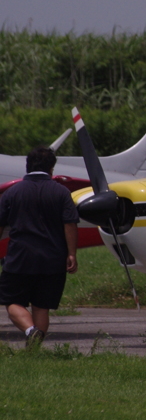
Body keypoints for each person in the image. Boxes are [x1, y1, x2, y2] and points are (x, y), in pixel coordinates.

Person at [0, 146, 79, 348]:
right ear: (51, 168)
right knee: (41, 307)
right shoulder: (62, 192)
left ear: (27, 166)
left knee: (13, 303)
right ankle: (35, 348)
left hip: (20, 257)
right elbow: (70, 223)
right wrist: (71, 253)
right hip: (53, 259)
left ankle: (30, 331)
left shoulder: (12, 192)